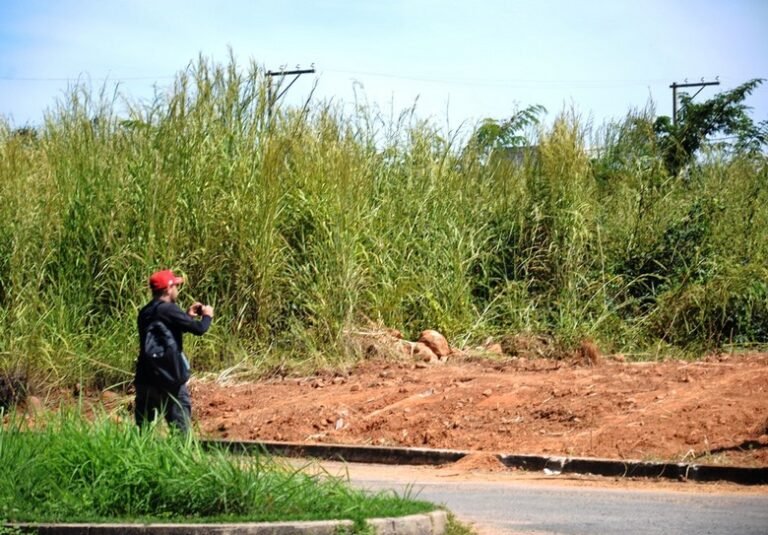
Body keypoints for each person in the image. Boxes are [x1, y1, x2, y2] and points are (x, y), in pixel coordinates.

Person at [134, 269, 213, 434]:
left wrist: (187, 316)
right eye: (175, 286)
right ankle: (181, 451)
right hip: (169, 379)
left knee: (144, 433)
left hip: (145, 379)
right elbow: (199, 329)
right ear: (168, 289)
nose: (177, 289)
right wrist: (207, 316)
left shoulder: (144, 312)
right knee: (181, 432)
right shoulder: (169, 309)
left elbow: (166, 331)